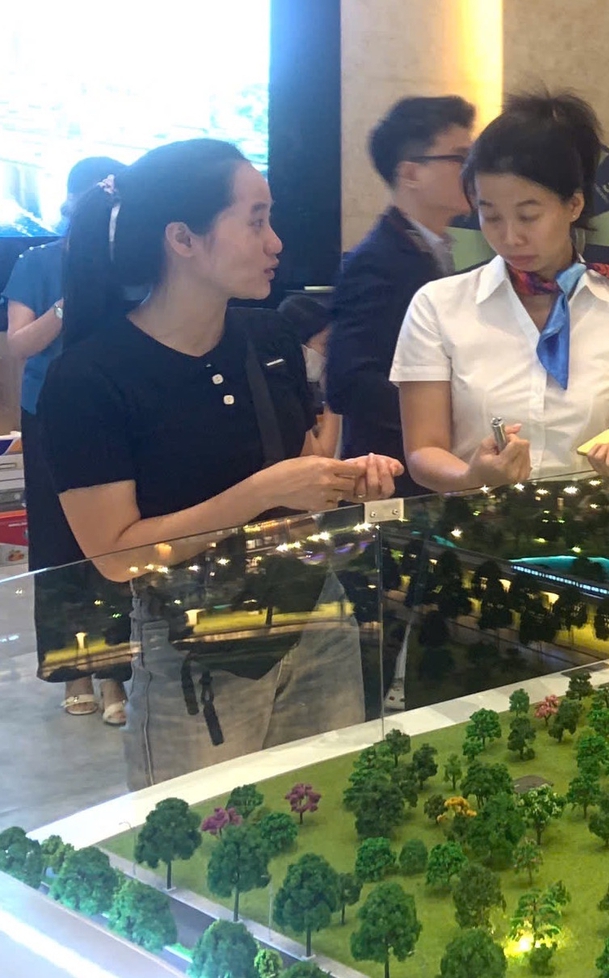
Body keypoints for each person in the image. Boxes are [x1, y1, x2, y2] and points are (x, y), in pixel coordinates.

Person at [38, 139, 403, 785]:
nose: (276, 242)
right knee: (202, 835)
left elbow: (299, 475)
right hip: (194, 649)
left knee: (325, 815)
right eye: (255, 220)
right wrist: (259, 491)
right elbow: (117, 555)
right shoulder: (89, 379)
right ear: (183, 238)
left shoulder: (268, 337)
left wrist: (347, 480)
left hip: (316, 620)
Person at [393, 90, 609, 494]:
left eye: (528, 215)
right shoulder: (438, 306)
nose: (510, 237)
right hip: (475, 520)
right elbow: (423, 450)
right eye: (491, 216)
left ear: (574, 205)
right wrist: (473, 477)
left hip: (587, 523)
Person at [7, 155, 125, 720]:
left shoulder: (129, 264)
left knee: (117, 540)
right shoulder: (37, 261)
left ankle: (116, 674)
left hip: (116, 410)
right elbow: (19, 345)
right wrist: (67, 302)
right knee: (57, 541)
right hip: (48, 413)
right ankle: (72, 670)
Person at [325, 95, 475, 494]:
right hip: (393, 483)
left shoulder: (437, 249)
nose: (473, 171)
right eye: (460, 158)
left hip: (435, 473)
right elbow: (348, 381)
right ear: (410, 173)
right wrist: (436, 413)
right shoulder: (375, 260)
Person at [277, 293, 340, 451]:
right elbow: (321, 456)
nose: (330, 354)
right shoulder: (282, 391)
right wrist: (334, 399)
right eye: (325, 345)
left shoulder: (305, 389)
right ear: (300, 349)